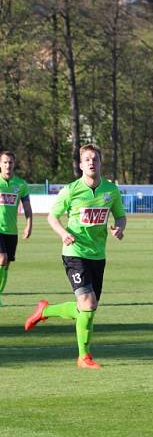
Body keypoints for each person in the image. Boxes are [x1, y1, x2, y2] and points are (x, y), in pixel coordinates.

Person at [24, 144, 126, 368]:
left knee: (86, 308)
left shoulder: (111, 190)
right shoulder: (71, 190)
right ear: (81, 165)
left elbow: (120, 216)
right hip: (74, 253)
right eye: (87, 159)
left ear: (100, 163)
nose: (91, 162)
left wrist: (119, 228)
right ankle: (83, 357)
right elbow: (52, 217)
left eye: (95, 159)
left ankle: (45, 311)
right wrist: (63, 234)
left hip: (98, 255)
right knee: (88, 304)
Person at [0, 151, 33, 306]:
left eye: (10, 162)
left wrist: (29, 224)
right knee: (2, 258)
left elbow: (27, 207)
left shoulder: (21, 185)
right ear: (0, 164)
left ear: (14, 164)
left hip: (11, 231)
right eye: (5, 162)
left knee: (6, 264)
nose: (8, 165)